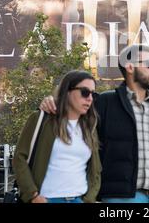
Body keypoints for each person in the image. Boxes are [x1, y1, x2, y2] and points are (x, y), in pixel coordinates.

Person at [41, 44, 149, 203]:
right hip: (119, 198)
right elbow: (72, 112)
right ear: (130, 67)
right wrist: (51, 102)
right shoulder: (105, 102)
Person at [13, 70, 101, 203]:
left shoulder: (90, 127)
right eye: (85, 92)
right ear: (67, 91)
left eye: (93, 94)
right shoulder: (41, 119)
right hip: (47, 199)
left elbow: (96, 170)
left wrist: (89, 199)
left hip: (79, 199)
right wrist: (32, 195)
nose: (90, 98)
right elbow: (19, 158)